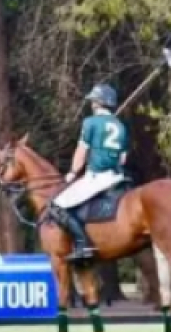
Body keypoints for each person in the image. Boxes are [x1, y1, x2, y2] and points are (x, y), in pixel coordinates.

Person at [48, 83, 128, 262]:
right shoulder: (121, 126)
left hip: (98, 177)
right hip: (117, 177)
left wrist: (72, 173)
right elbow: (123, 159)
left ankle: (82, 245)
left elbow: (81, 152)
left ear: (99, 103)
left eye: (94, 101)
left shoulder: (90, 122)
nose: (92, 104)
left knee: (57, 206)